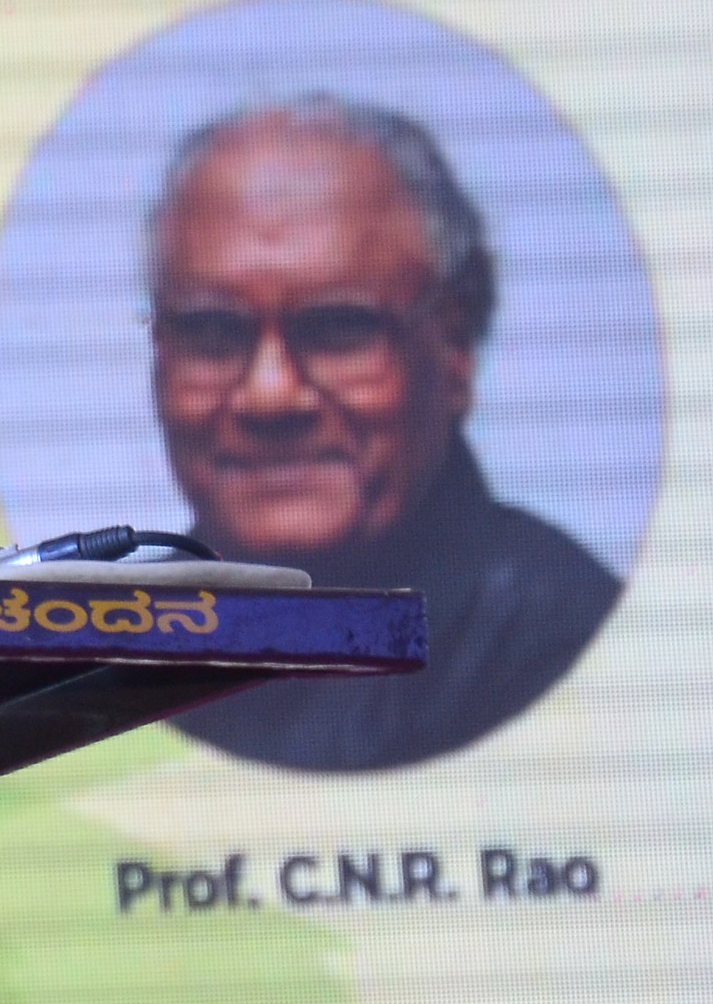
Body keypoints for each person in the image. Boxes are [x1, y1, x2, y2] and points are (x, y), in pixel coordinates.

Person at [146, 97, 622, 773]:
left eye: (338, 327)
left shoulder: (570, 641)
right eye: (212, 331)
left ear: (453, 346)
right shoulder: (102, 649)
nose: (269, 393)